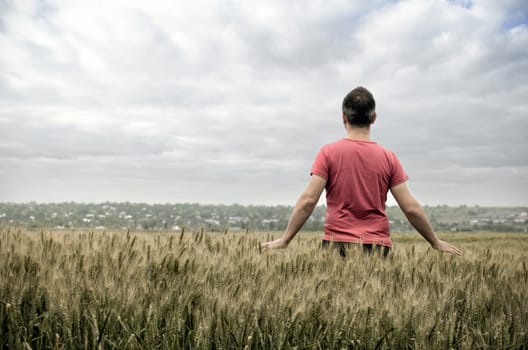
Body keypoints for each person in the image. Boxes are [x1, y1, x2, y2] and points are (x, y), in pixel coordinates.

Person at [262, 86, 463, 257]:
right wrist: (434, 241)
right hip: (377, 248)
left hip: (335, 245)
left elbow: (308, 201)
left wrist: (285, 239)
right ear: (374, 118)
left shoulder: (328, 153)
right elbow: (410, 208)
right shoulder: (389, 157)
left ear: (343, 117)